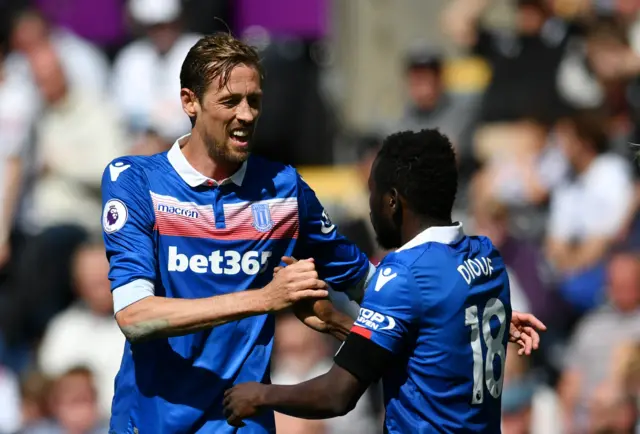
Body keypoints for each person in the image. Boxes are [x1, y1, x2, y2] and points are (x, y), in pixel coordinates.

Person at [102, 34, 544, 433]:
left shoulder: (283, 189)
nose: (246, 114)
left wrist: (467, 311)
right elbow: (135, 317)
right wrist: (264, 299)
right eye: (230, 100)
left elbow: (368, 286)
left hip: (240, 420)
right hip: (150, 419)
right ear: (189, 101)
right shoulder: (135, 181)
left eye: (254, 100)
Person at [223, 129, 546, 433]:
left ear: (392, 200)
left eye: (372, 192)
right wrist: (334, 320)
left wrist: (259, 395)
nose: (370, 204)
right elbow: (424, 349)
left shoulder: (403, 274)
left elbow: (337, 395)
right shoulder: (487, 257)